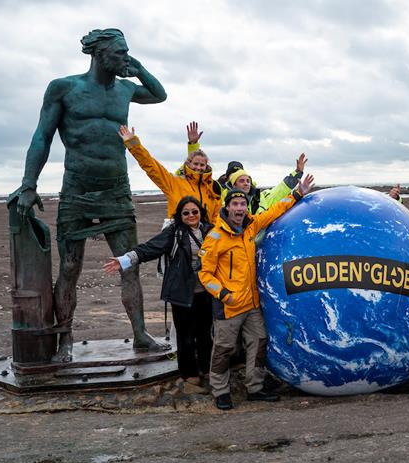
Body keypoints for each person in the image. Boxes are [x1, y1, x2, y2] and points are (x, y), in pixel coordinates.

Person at [14, 28, 169, 361]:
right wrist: (29, 184)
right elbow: (42, 136)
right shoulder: (65, 88)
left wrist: (138, 67)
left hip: (117, 188)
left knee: (130, 266)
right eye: (119, 53)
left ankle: (141, 335)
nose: (124, 58)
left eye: (127, 52)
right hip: (77, 190)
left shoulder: (126, 89)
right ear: (99, 55)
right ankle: (65, 339)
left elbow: (159, 95)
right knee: (70, 268)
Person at [199, 175, 315, 410]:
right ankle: (220, 391)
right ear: (227, 207)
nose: (240, 208)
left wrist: (298, 192)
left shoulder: (251, 227)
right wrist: (224, 295)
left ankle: (255, 388)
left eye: (243, 204)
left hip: (251, 304)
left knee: (259, 343)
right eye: (235, 204)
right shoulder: (215, 238)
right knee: (223, 349)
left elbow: (274, 211)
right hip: (229, 306)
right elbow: (205, 275)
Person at [104, 196, 213, 392]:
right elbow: (150, 248)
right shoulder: (174, 233)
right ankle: (190, 378)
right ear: (180, 215)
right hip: (181, 294)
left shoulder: (210, 231)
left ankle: (206, 370)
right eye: (185, 213)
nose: (190, 215)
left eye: (194, 212)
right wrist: (125, 260)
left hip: (207, 292)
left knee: (206, 334)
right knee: (186, 337)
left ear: (201, 213)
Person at [120, 125, 222, 225]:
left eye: (202, 165)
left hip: (205, 237)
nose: (198, 167)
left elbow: (216, 217)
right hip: (179, 235)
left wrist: (211, 236)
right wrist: (133, 143)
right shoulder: (174, 183)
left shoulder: (212, 188)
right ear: (188, 164)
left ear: (206, 166)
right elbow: (151, 166)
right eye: (195, 164)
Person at [223, 154, 307, 215]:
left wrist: (298, 173)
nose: (246, 183)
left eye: (248, 181)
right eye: (241, 181)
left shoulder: (260, 197)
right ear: (232, 183)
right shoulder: (222, 202)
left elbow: (281, 189)